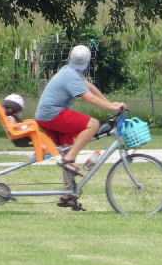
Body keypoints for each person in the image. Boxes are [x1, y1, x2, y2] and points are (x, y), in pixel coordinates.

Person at [35, 44, 126, 178]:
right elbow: (89, 97)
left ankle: (67, 196)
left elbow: (91, 88)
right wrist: (113, 108)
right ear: (88, 62)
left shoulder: (70, 71)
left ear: (70, 58)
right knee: (93, 124)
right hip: (52, 114)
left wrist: (110, 103)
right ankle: (69, 159)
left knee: (67, 148)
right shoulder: (71, 76)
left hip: (45, 116)